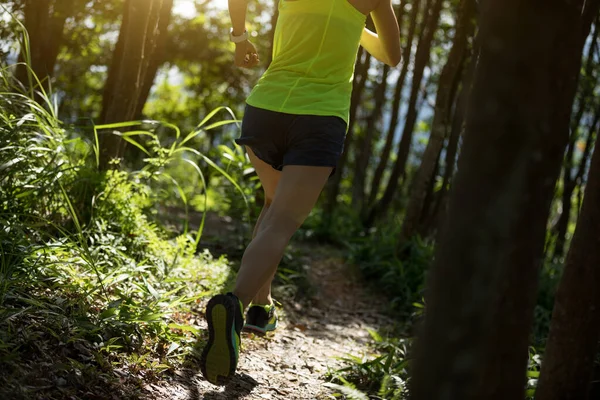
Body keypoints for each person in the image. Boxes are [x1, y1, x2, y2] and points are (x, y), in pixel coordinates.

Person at [200, 0, 401, 386]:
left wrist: (239, 37)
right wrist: (356, 22)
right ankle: (234, 304)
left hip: (266, 107)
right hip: (320, 118)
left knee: (273, 205)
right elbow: (391, 56)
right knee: (282, 222)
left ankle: (262, 308)